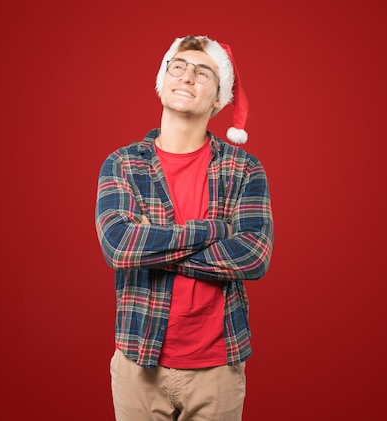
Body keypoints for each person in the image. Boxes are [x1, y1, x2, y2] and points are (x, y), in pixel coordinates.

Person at [95, 34, 274, 420]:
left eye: (203, 72)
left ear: (217, 99)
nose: (188, 76)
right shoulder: (123, 164)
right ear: (164, 82)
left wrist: (154, 245)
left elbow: (254, 256)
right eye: (178, 67)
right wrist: (216, 230)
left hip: (218, 368)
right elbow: (120, 248)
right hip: (138, 362)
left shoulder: (244, 169)